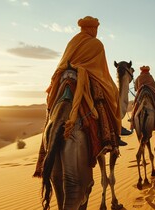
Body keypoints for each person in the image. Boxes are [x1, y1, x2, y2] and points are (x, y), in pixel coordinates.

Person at [33, 16, 123, 177]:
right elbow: (101, 70)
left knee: (53, 103)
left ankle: (45, 143)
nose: (96, 31)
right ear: (91, 28)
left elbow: (64, 61)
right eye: (95, 28)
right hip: (87, 75)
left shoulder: (72, 41)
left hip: (65, 75)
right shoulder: (96, 44)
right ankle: (110, 139)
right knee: (108, 93)